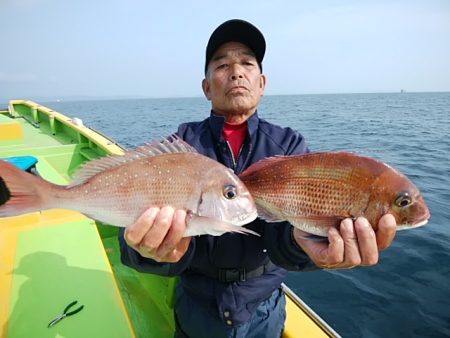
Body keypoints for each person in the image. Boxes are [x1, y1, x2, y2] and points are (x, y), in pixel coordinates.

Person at [119, 19, 397, 338]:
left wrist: (310, 248)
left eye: (247, 63)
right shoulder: (180, 148)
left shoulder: (290, 148)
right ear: (207, 87)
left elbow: (287, 237)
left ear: (262, 83)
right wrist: (153, 251)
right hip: (196, 304)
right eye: (222, 64)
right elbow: (131, 234)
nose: (236, 71)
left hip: (263, 309)